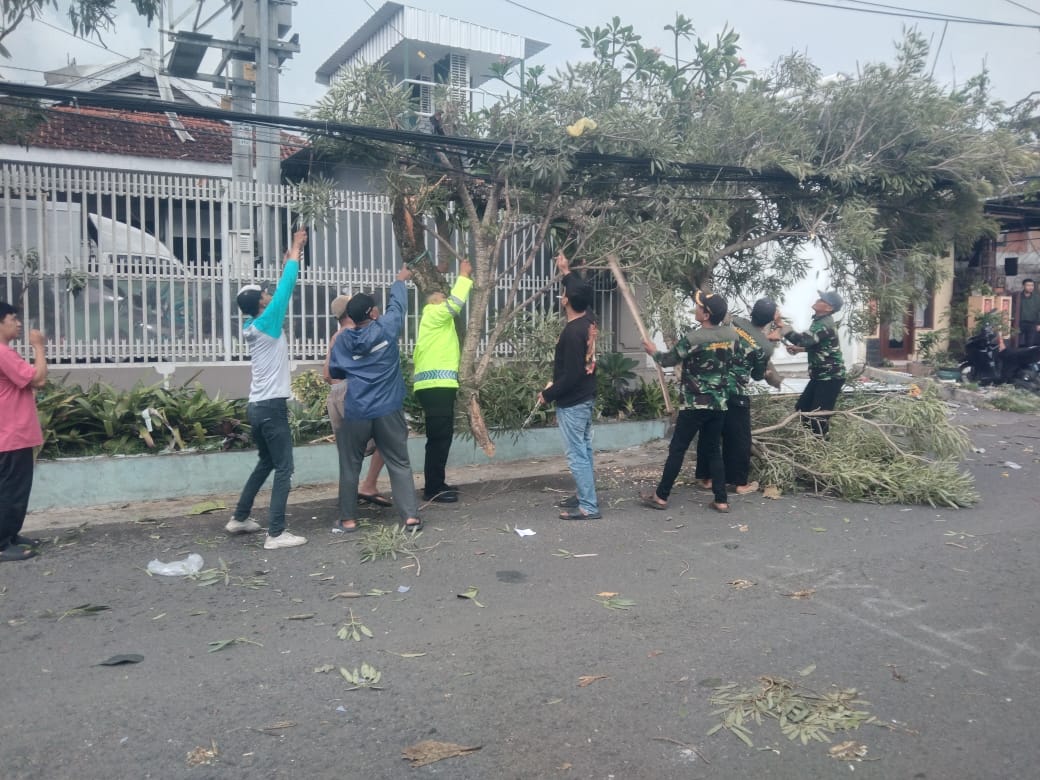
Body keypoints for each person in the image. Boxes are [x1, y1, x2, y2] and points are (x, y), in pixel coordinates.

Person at [225, 229, 309, 549]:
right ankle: (275, 533)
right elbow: (286, 286)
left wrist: (289, 254)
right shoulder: (269, 321)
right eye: (264, 293)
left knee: (266, 463)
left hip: (256, 407)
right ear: (260, 302)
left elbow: (277, 290)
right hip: (272, 407)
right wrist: (297, 248)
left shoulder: (252, 326)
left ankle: (241, 517)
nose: (268, 294)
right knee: (284, 468)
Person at [328, 267, 423, 532]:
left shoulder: (343, 340)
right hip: (388, 410)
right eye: (374, 307)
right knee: (399, 462)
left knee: (350, 465)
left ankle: (347, 520)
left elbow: (335, 373)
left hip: (357, 410)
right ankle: (411, 518)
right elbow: (398, 306)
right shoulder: (386, 328)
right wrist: (400, 281)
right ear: (371, 313)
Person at [640, 290, 737, 513]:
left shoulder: (694, 339)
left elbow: (668, 360)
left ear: (706, 314)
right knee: (714, 450)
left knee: (678, 449)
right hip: (719, 403)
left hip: (695, 404)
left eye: (699, 306)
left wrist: (653, 352)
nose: (696, 308)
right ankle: (721, 500)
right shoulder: (732, 336)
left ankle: (661, 496)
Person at [693, 298, 782, 495]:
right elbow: (758, 374)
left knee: (711, 433)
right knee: (739, 438)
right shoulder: (765, 347)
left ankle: (706, 478)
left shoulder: (735, 323)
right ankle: (740, 483)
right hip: (735, 393)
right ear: (769, 320)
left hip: (714, 386)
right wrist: (767, 373)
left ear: (752, 312)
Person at [539, 253, 601, 520]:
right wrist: (565, 270)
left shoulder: (573, 332)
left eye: (564, 292)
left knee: (577, 454)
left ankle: (588, 505)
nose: (562, 295)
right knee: (584, 450)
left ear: (566, 300)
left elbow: (573, 375)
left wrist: (548, 394)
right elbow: (582, 291)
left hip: (574, 401)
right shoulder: (589, 320)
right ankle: (584, 495)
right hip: (585, 397)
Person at [412, 259, 473, 503]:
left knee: (441, 437)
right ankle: (433, 488)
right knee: (438, 438)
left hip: (437, 387)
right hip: (435, 387)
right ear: (432, 300)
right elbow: (456, 304)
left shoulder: (436, 320)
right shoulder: (434, 313)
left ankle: (438, 482)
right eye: (441, 296)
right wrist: (464, 276)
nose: (444, 298)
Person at [324, 295, 391, 512]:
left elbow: (327, 374)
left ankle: (347, 499)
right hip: (352, 393)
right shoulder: (354, 334)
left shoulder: (336, 336)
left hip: (334, 395)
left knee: (348, 450)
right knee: (387, 437)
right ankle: (369, 485)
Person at [0, 302, 47, 562]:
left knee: (15, 489)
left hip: (11, 433)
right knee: (10, 490)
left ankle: (10, 535)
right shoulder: (3, 353)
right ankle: (1, 543)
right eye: (12, 318)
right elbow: (39, 379)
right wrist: (39, 346)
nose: (18, 323)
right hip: (11, 434)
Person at [779, 290, 846, 437]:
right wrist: (800, 350)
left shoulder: (824, 324)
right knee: (803, 408)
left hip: (830, 378)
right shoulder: (819, 320)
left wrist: (782, 327)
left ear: (829, 308)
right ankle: (811, 442)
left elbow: (803, 339)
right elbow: (819, 345)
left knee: (818, 418)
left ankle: (822, 451)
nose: (818, 299)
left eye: (822, 299)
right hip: (820, 376)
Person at [1018, 279, 1040, 348]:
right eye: (1028, 285)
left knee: (1030, 344)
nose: (1030, 287)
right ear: (1023, 286)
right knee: (1017, 343)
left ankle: (1028, 358)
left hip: (1032, 324)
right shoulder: (1018, 296)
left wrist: (1039, 324)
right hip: (1019, 323)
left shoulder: (1037, 297)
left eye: (1032, 285)